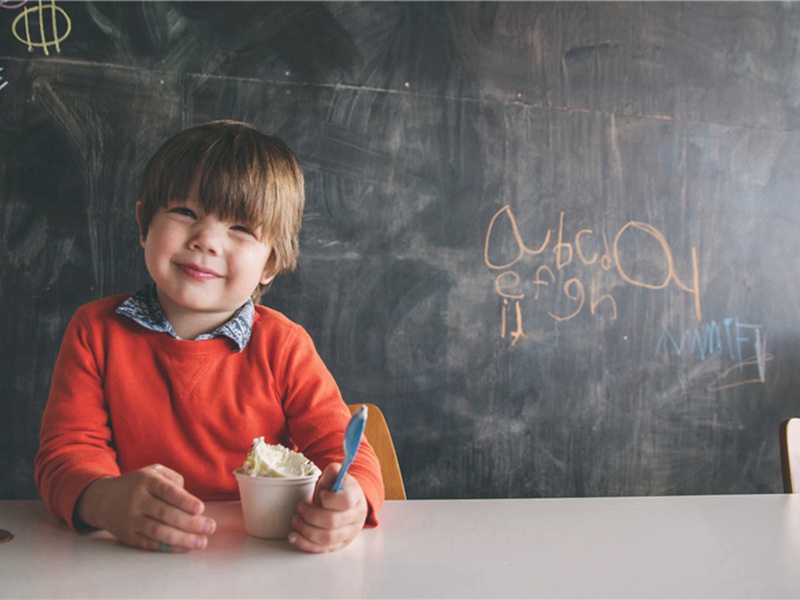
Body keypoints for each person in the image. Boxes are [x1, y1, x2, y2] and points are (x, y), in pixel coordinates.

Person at [34, 120, 384, 554]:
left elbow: (344, 449)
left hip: (262, 562)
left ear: (271, 263)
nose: (206, 241)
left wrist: (350, 501)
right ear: (144, 222)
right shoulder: (95, 331)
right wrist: (105, 501)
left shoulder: (284, 346)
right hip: (128, 559)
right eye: (185, 212)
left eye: (240, 228)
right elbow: (66, 454)